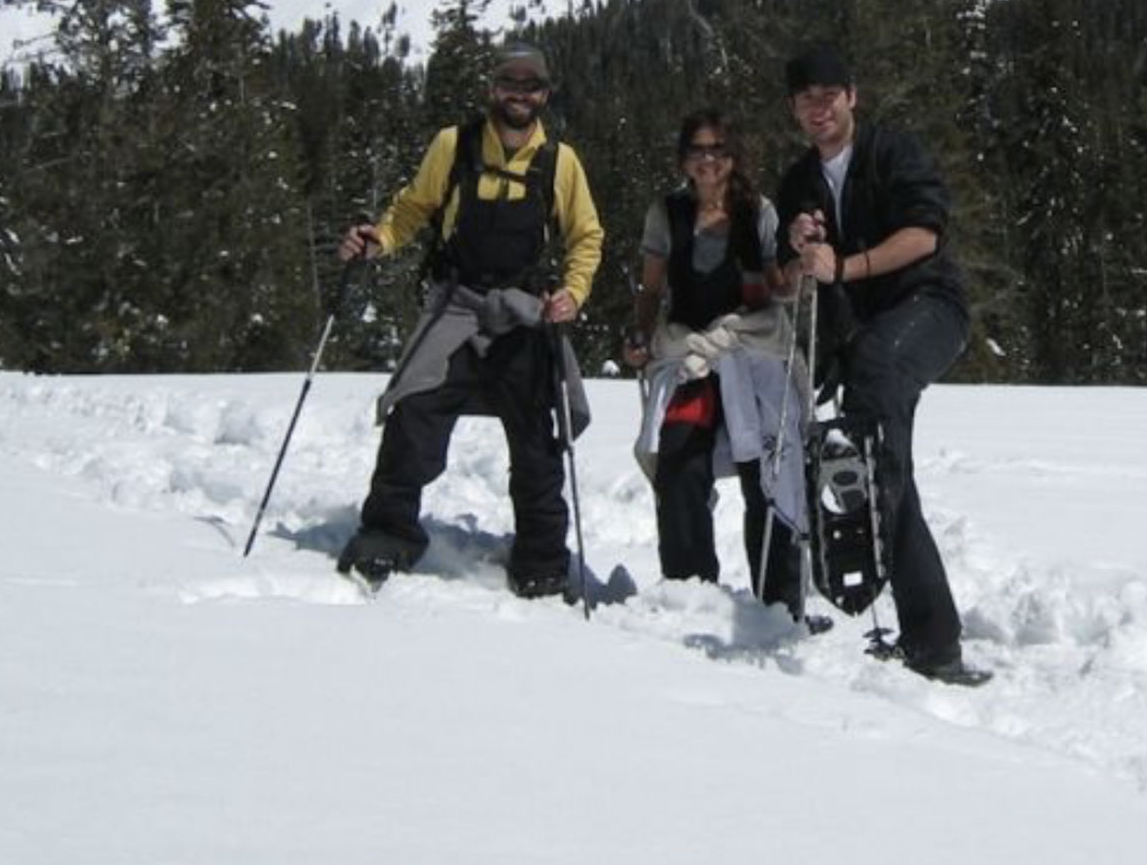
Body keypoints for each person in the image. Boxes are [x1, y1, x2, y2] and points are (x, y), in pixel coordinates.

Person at [335, 40, 604, 598]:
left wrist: (572, 295)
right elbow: (413, 208)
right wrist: (379, 240)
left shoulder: (560, 161)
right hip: (456, 305)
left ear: (545, 94)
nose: (520, 94)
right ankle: (388, 531)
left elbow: (585, 236)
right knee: (414, 409)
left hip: (522, 312)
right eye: (510, 83)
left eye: (531, 85)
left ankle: (542, 556)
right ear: (493, 88)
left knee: (537, 435)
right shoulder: (453, 146)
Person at [774, 45, 988, 685]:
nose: (819, 109)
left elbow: (925, 235)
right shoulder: (797, 183)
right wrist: (797, 251)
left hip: (927, 307)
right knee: (882, 465)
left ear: (851, 96)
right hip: (862, 337)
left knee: (875, 449)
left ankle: (934, 641)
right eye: (806, 99)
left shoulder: (895, 153)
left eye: (828, 94)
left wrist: (845, 265)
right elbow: (787, 283)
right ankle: (930, 636)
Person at [625, 111, 807, 619]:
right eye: (699, 150)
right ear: (684, 157)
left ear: (734, 156)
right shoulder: (667, 214)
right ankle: (689, 593)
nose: (709, 160)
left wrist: (797, 270)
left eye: (719, 149)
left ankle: (780, 601)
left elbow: (777, 285)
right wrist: (639, 332)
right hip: (693, 354)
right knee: (680, 460)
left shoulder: (758, 212)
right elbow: (653, 287)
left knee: (768, 466)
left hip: (752, 349)